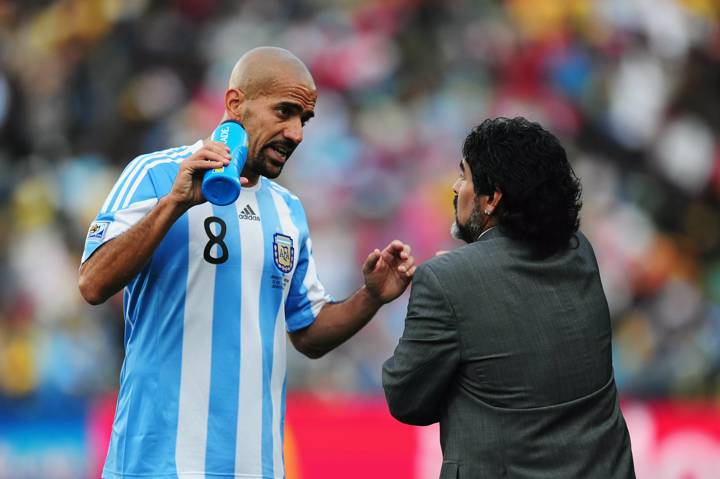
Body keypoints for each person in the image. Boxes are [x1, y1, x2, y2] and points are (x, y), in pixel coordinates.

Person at [78, 47, 416, 479]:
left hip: (254, 467)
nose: (295, 133)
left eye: (304, 120)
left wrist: (371, 297)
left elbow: (308, 332)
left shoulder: (288, 210)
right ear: (235, 103)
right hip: (157, 463)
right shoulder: (155, 174)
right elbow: (92, 283)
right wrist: (175, 204)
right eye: (284, 112)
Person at [382, 117, 635, 478]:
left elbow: (405, 399)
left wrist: (451, 282)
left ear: (492, 198)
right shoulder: (581, 252)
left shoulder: (445, 281)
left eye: (464, 175)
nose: (456, 186)